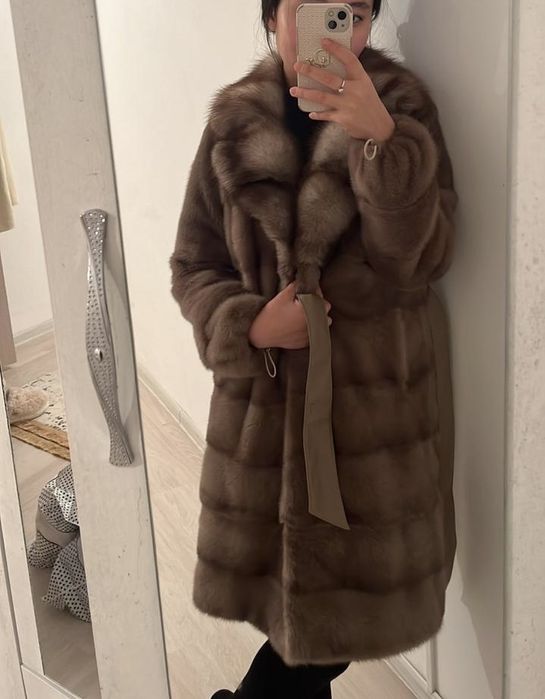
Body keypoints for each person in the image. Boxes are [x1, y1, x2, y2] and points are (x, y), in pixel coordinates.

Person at [169, 0, 459, 696]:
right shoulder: (232, 124)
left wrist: (382, 143)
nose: (340, 30)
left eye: (352, 12)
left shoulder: (402, 110)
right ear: (273, 17)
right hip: (265, 426)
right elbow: (193, 263)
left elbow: (423, 262)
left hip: (371, 429)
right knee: (297, 627)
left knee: (329, 635)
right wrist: (250, 326)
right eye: (314, 8)